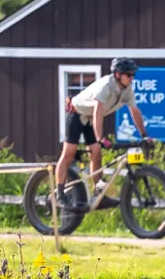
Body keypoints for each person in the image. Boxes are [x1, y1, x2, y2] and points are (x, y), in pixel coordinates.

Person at [55, 57, 146, 194]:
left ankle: (99, 193)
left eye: (133, 74)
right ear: (118, 74)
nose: (132, 78)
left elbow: (135, 111)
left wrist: (144, 135)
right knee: (69, 153)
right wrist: (100, 138)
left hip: (91, 118)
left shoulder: (127, 90)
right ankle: (59, 193)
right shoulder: (106, 86)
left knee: (96, 153)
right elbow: (98, 111)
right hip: (77, 114)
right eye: (129, 75)